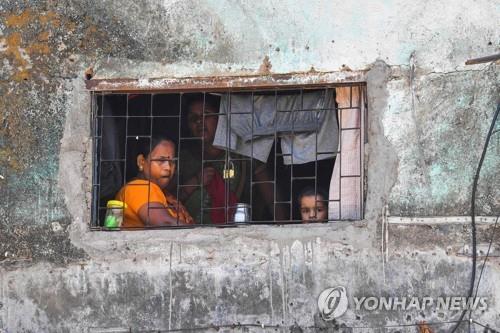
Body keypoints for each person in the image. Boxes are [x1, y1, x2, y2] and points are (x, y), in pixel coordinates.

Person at [177, 94, 286, 224]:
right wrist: (195, 181)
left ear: (221, 119)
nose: (199, 121)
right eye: (193, 118)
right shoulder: (183, 159)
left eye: (206, 115)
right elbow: (168, 199)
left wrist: (283, 230)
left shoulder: (244, 154)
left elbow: (272, 199)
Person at [115, 136, 194, 228]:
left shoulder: (162, 192)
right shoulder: (139, 187)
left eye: (172, 161)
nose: (168, 167)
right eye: (161, 160)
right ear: (141, 161)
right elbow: (166, 224)